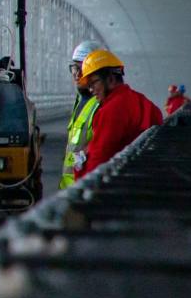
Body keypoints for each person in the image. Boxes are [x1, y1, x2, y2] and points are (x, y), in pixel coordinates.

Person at [76, 49, 163, 180]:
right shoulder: (144, 103)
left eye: (93, 82)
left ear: (110, 79)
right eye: (89, 86)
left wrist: (79, 170)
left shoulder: (110, 111)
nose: (91, 90)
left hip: (118, 187)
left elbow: (97, 164)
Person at [61, 40, 101, 190]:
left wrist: (75, 159)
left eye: (81, 69)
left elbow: (96, 149)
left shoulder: (99, 104)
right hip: (70, 189)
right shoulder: (80, 100)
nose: (76, 74)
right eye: (73, 68)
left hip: (84, 189)